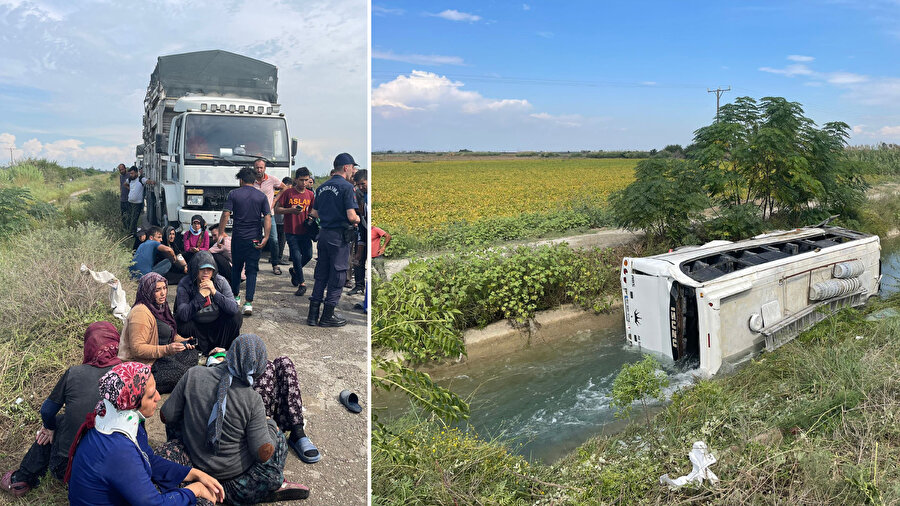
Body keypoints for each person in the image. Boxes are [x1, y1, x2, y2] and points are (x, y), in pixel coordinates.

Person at [158, 335, 311, 503]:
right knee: (278, 439)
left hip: (193, 464)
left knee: (179, 414)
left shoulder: (193, 374)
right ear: (260, 367)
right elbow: (262, 454)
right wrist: (270, 424)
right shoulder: (252, 400)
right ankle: (229, 494)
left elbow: (167, 415)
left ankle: (194, 482)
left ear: (229, 354)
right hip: (233, 483)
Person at [66, 362, 225, 505]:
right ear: (132, 403)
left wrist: (194, 474)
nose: (158, 397)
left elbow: (147, 458)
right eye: (150, 395)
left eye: (156, 389)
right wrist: (194, 490)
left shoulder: (112, 416)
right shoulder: (119, 450)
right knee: (201, 501)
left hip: (118, 487)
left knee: (175, 448)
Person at [1, 322, 122, 498]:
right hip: (114, 468)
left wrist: (49, 428)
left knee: (57, 421)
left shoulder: (74, 373)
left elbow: (47, 411)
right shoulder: (126, 373)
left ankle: (22, 478)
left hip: (67, 468)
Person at [118, 272, 198, 394]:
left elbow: (171, 334)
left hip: (159, 356)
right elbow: (137, 349)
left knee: (192, 354)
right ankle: (141, 388)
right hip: (143, 365)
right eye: (157, 290)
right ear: (148, 291)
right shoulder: (140, 313)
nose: (163, 293)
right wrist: (167, 349)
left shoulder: (160, 306)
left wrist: (183, 341)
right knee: (184, 373)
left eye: (165, 288)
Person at [306, 153, 360, 327]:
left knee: (321, 274)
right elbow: (351, 216)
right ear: (346, 167)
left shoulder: (322, 188)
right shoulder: (347, 187)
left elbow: (314, 213)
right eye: (352, 167)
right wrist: (359, 220)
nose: (353, 171)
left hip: (323, 235)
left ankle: (312, 316)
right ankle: (327, 316)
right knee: (338, 275)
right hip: (339, 237)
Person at [217, 166, 271, 317]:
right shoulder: (261, 196)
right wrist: (266, 237)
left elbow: (226, 214)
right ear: (254, 180)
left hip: (239, 238)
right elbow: (267, 217)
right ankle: (248, 303)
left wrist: (221, 232)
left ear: (240, 180)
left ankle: (235, 298)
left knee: (236, 268)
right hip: (255, 238)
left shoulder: (234, 194)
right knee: (252, 270)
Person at [175, 251, 242, 355]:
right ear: (195, 270)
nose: (206, 272)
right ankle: (197, 351)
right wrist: (200, 296)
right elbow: (183, 315)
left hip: (217, 326)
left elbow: (233, 308)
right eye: (202, 269)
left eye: (209, 269)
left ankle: (223, 349)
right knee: (180, 322)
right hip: (196, 327)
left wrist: (215, 293)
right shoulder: (185, 284)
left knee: (236, 317)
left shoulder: (220, 281)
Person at [274, 167, 315, 296]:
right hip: (291, 231)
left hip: (305, 231)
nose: (304, 183)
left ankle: (296, 271)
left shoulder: (310, 194)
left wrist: (312, 218)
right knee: (296, 256)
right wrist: (290, 210)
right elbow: (277, 209)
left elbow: (314, 211)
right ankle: (302, 283)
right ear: (296, 180)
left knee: (308, 255)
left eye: (306, 180)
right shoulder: (288, 193)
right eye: (301, 180)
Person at [252, 159, 284, 275]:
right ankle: (254, 264)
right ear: (254, 168)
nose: (259, 170)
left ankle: (275, 264)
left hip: (269, 215)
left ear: (265, 168)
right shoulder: (251, 181)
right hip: (254, 216)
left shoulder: (272, 179)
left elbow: (284, 188)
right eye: (257, 167)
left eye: (261, 168)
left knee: (273, 240)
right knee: (256, 240)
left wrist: (275, 199)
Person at [348, 169, 368, 295]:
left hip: (372, 233)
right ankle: (359, 286)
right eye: (358, 185)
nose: (361, 187)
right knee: (358, 258)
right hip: (363, 231)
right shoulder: (361, 196)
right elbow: (361, 224)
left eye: (363, 184)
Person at [124, 166, 155, 239]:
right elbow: (125, 184)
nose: (131, 175)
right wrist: (130, 189)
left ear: (136, 173)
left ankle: (131, 234)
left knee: (134, 219)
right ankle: (132, 231)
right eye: (130, 174)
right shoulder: (130, 180)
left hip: (137, 203)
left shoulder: (141, 179)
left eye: (132, 173)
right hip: (130, 202)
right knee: (129, 218)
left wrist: (152, 182)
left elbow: (148, 182)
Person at [274, 177, 292, 262]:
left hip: (275, 220)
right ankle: (278, 258)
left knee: (276, 241)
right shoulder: (285, 194)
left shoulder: (276, 192)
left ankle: (275, 257)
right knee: (281, 241)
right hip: (281, 220)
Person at [117, 164, 129, 231]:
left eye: (122, 169)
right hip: (122, 199)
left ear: (125, 168)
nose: (121, 171)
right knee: (123, 216)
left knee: (129, 215)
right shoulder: (121, 176)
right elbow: (121, 186)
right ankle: (125, 229)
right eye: (120, 170)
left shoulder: (129, 176)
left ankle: (129, 229)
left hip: (129, 199)